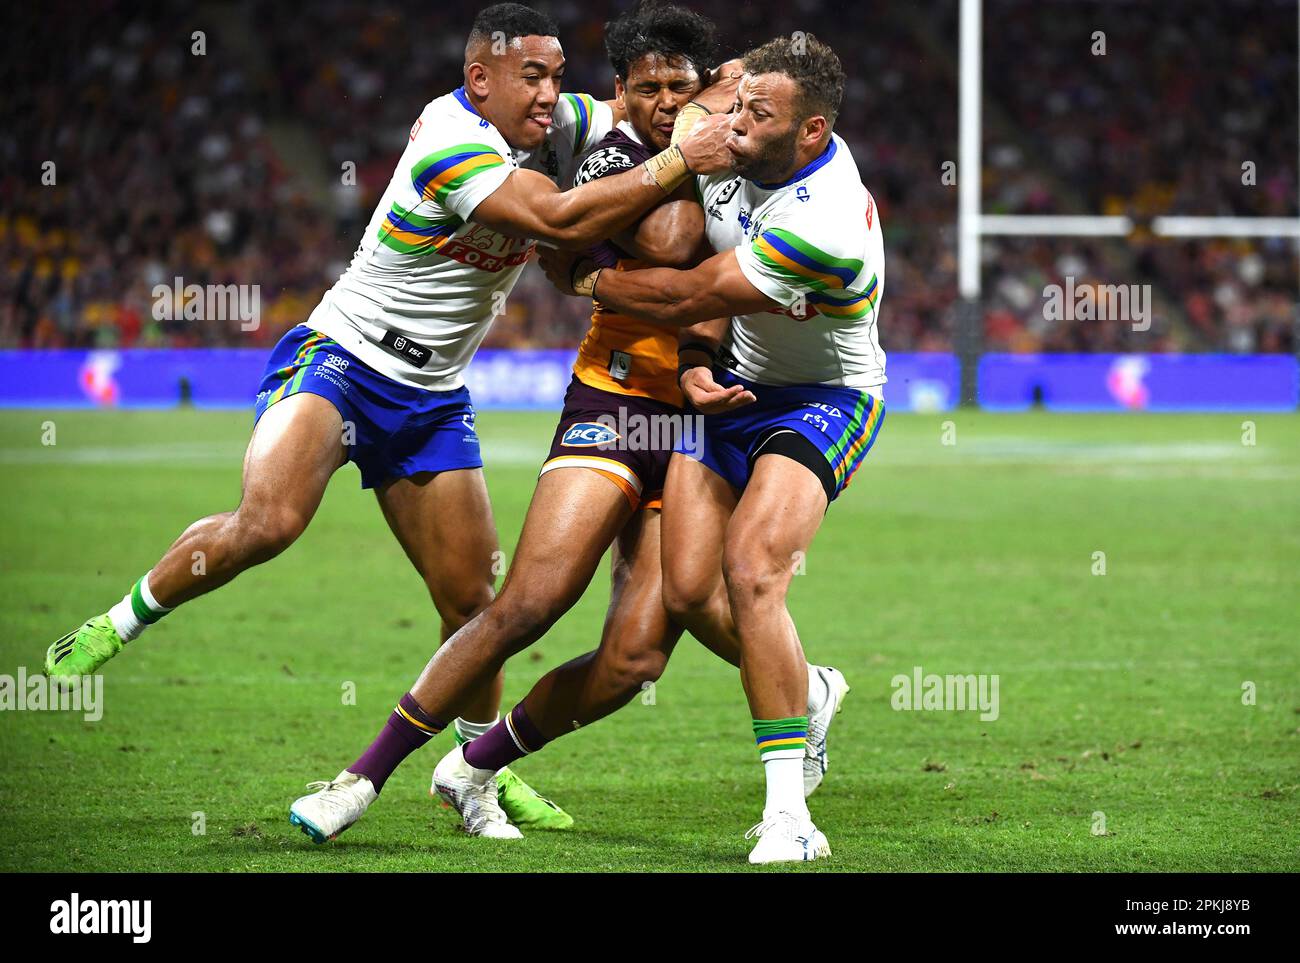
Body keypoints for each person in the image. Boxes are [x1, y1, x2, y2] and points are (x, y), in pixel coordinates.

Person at [42, 1, 733, 837]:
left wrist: (712, 96)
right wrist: (672, 167)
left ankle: (479, 776)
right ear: (480, 79)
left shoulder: (566, 124)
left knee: (472, 601)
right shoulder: (452, 140)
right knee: (270, 520)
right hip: (344, 356)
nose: (553, 94)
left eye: (558, 76)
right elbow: (555, 221)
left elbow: (638, 109)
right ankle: (119, 621)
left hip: (433, 394)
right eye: (533, 78)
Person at [289, 4, 848, 847]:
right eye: (648, 88)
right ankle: (362, 775)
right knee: (530, 600)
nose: (666, 101)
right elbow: (654, 236)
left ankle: (476, 763)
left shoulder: (747, 146)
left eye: (682, 87)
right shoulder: (621, 150)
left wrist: (713, 125)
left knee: (636, 658)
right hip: (616, 402)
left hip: (704, 417)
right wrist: (680, 162)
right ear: (621, 92)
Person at [539, 32, 886, 863]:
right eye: (736, 102)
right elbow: (633, 128)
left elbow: (693, 289)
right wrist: (696, 363)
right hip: (734, 387)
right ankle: (811, 689)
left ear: (809, 133)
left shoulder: (825, 219)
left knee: (755, 569)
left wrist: (579, 273)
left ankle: (788, 816)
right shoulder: (739, 137)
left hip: (826, 399)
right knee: (692, 593)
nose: (732, 123)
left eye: (755, 114)